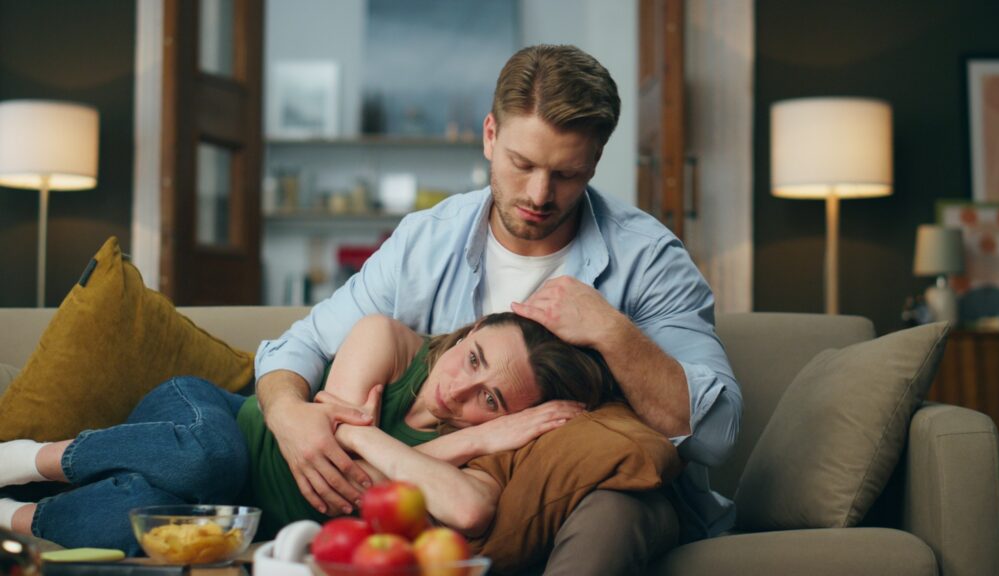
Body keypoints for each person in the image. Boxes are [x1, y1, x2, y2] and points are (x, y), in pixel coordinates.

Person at [254, 44, 743, 574]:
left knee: (619, 506)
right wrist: (287, 414)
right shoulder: (427, 241)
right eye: (522, 164)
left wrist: (611, 331)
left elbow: (715, 436)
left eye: (567, 174)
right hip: (445, 491)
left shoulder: (649, 259)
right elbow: (298, 346)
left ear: (594, 163)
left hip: (577, 490)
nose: (539, 194)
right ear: (490, 136)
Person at [0, 312, 616, 553]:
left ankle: (9, 518)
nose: (458, 389)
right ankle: (25, 459)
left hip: (236, 522)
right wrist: (463, 442)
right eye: (473, 358)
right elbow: (329, 451)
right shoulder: (388, 340)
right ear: (469, 331)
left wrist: (470, 444)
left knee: (151, 535)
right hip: (205, 422)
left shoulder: (482, 452)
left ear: (511, 420)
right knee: (209, 461)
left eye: (490, 401)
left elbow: (468, 507)